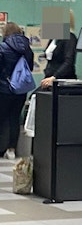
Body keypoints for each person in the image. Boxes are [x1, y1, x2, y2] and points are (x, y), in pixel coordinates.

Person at [0, 23, 34, 160]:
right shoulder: (27, 48)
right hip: (20, 89)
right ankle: (11, 150)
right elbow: (30, 67)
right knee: (15, 118)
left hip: (4, 88)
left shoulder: (3, 47)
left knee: (1, 118)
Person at [40, 11, 77, 88]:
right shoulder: (54, 38)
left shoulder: (70, 38)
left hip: (62, 80)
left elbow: (69, 61)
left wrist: (55, 76)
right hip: (50, 78)